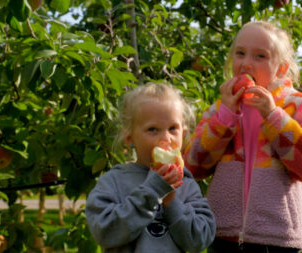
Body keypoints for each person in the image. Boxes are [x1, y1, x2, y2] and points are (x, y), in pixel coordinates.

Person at [183, 21, 302, 253]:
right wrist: (224, 118)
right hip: (224, 235)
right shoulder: (223, 108)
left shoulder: (296, 105)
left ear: (281, 69)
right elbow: (192, 166)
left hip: (276, 236)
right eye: (240, 53)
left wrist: (274, 116)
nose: (246, 64)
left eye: (260, 56)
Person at [86, 82, 216, 253]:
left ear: (183, 134)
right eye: (153, 129)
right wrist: (152, 192)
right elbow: (105, 232)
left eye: (172, 128)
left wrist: (171, 201)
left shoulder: (186, 184)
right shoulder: (113, 182)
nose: (166, 138)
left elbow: (199, 240)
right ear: (130, 138)